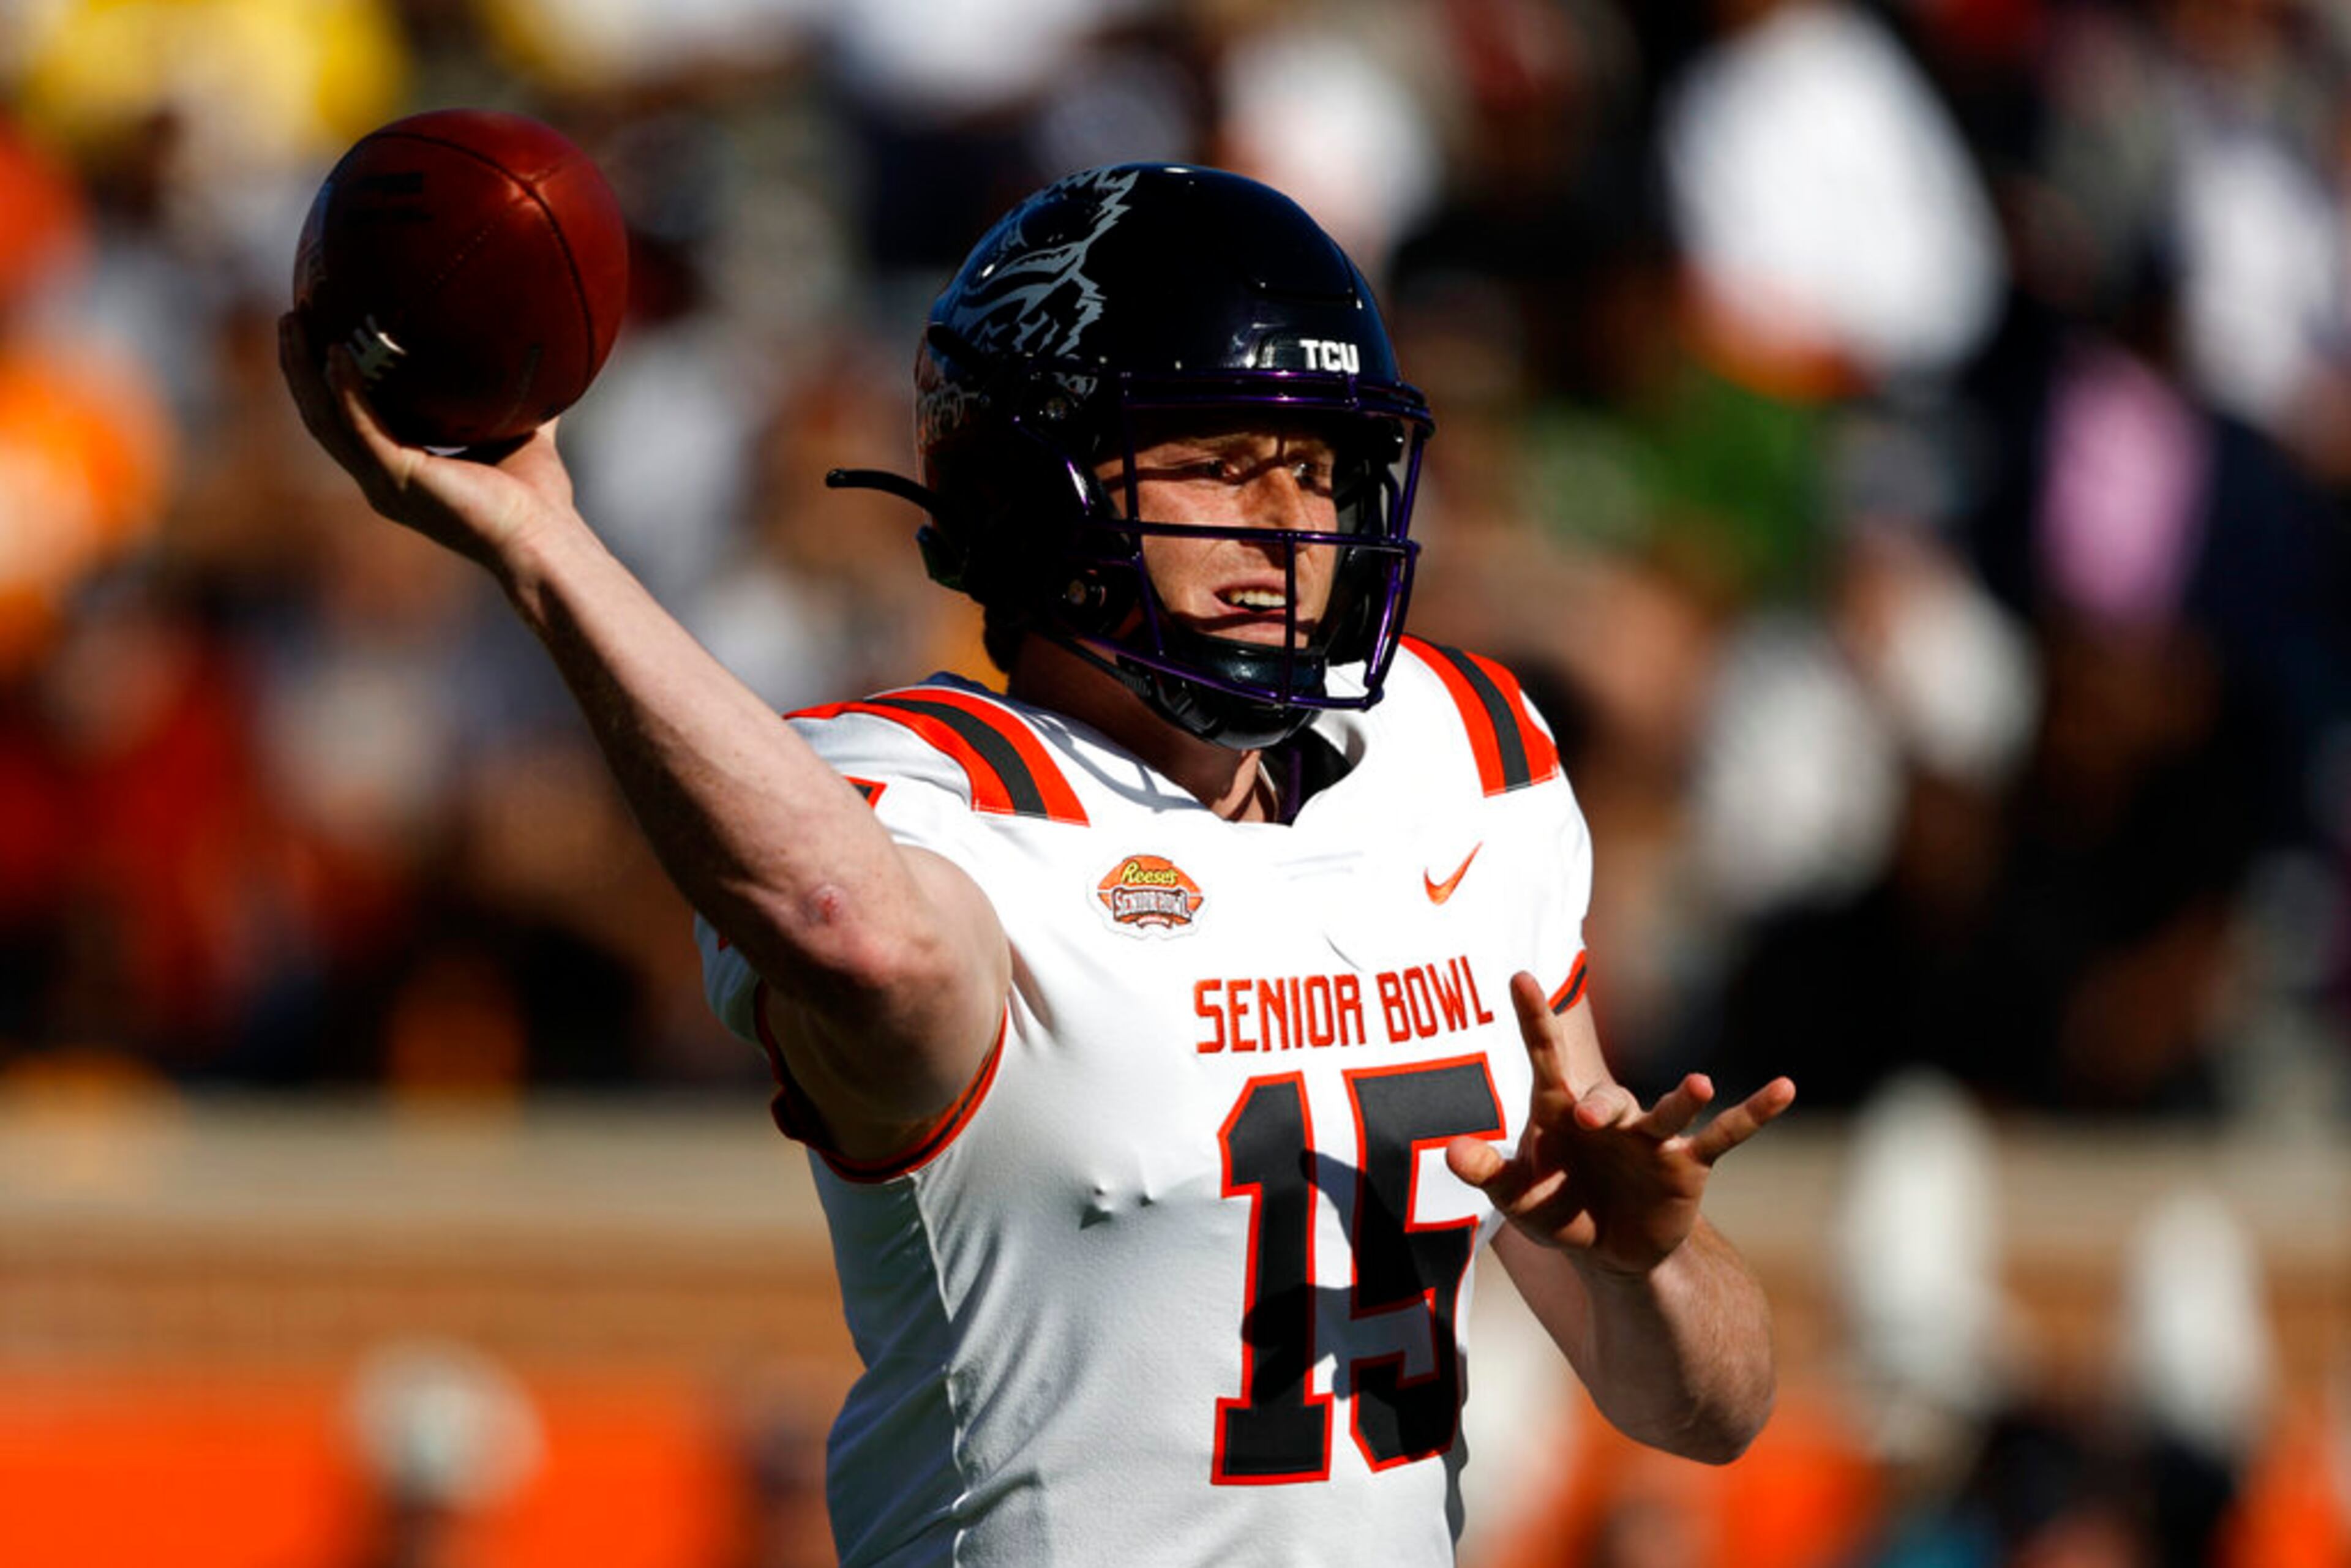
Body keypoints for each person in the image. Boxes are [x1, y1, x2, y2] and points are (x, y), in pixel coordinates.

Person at [281, 160, 1796, 1567]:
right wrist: (546, 547)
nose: (1294, 528)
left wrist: (1643, 1270)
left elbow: (1706, 1414)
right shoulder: (918, 794)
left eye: (1323, 470)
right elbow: (853, 926)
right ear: (1031, 490)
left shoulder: (1464, 759)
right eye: (1222, 462)